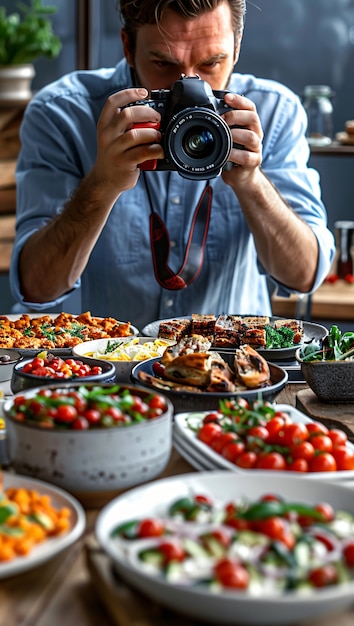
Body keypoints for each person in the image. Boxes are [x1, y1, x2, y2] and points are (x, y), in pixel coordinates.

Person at [10, 0, 335, 331]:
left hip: (234, 369)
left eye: (211, 63)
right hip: (107, 368)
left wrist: (252, 182)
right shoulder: (62, 113)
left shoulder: (273, 112)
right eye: (163, 63)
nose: (188, 86)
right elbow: (38, 289)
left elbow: (304, 275)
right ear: (127, 46)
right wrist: (103, 183)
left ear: (236, 47)